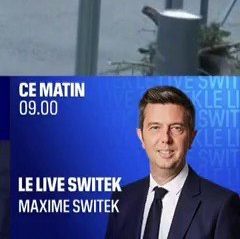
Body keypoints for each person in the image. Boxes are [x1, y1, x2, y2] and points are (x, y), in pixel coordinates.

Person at [103, 86, 240, 239]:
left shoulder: (222, 205)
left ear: (192, 137)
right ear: (141, 136)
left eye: (176, 128)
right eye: (155, 127)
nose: (165, 138)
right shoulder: (122, 199)